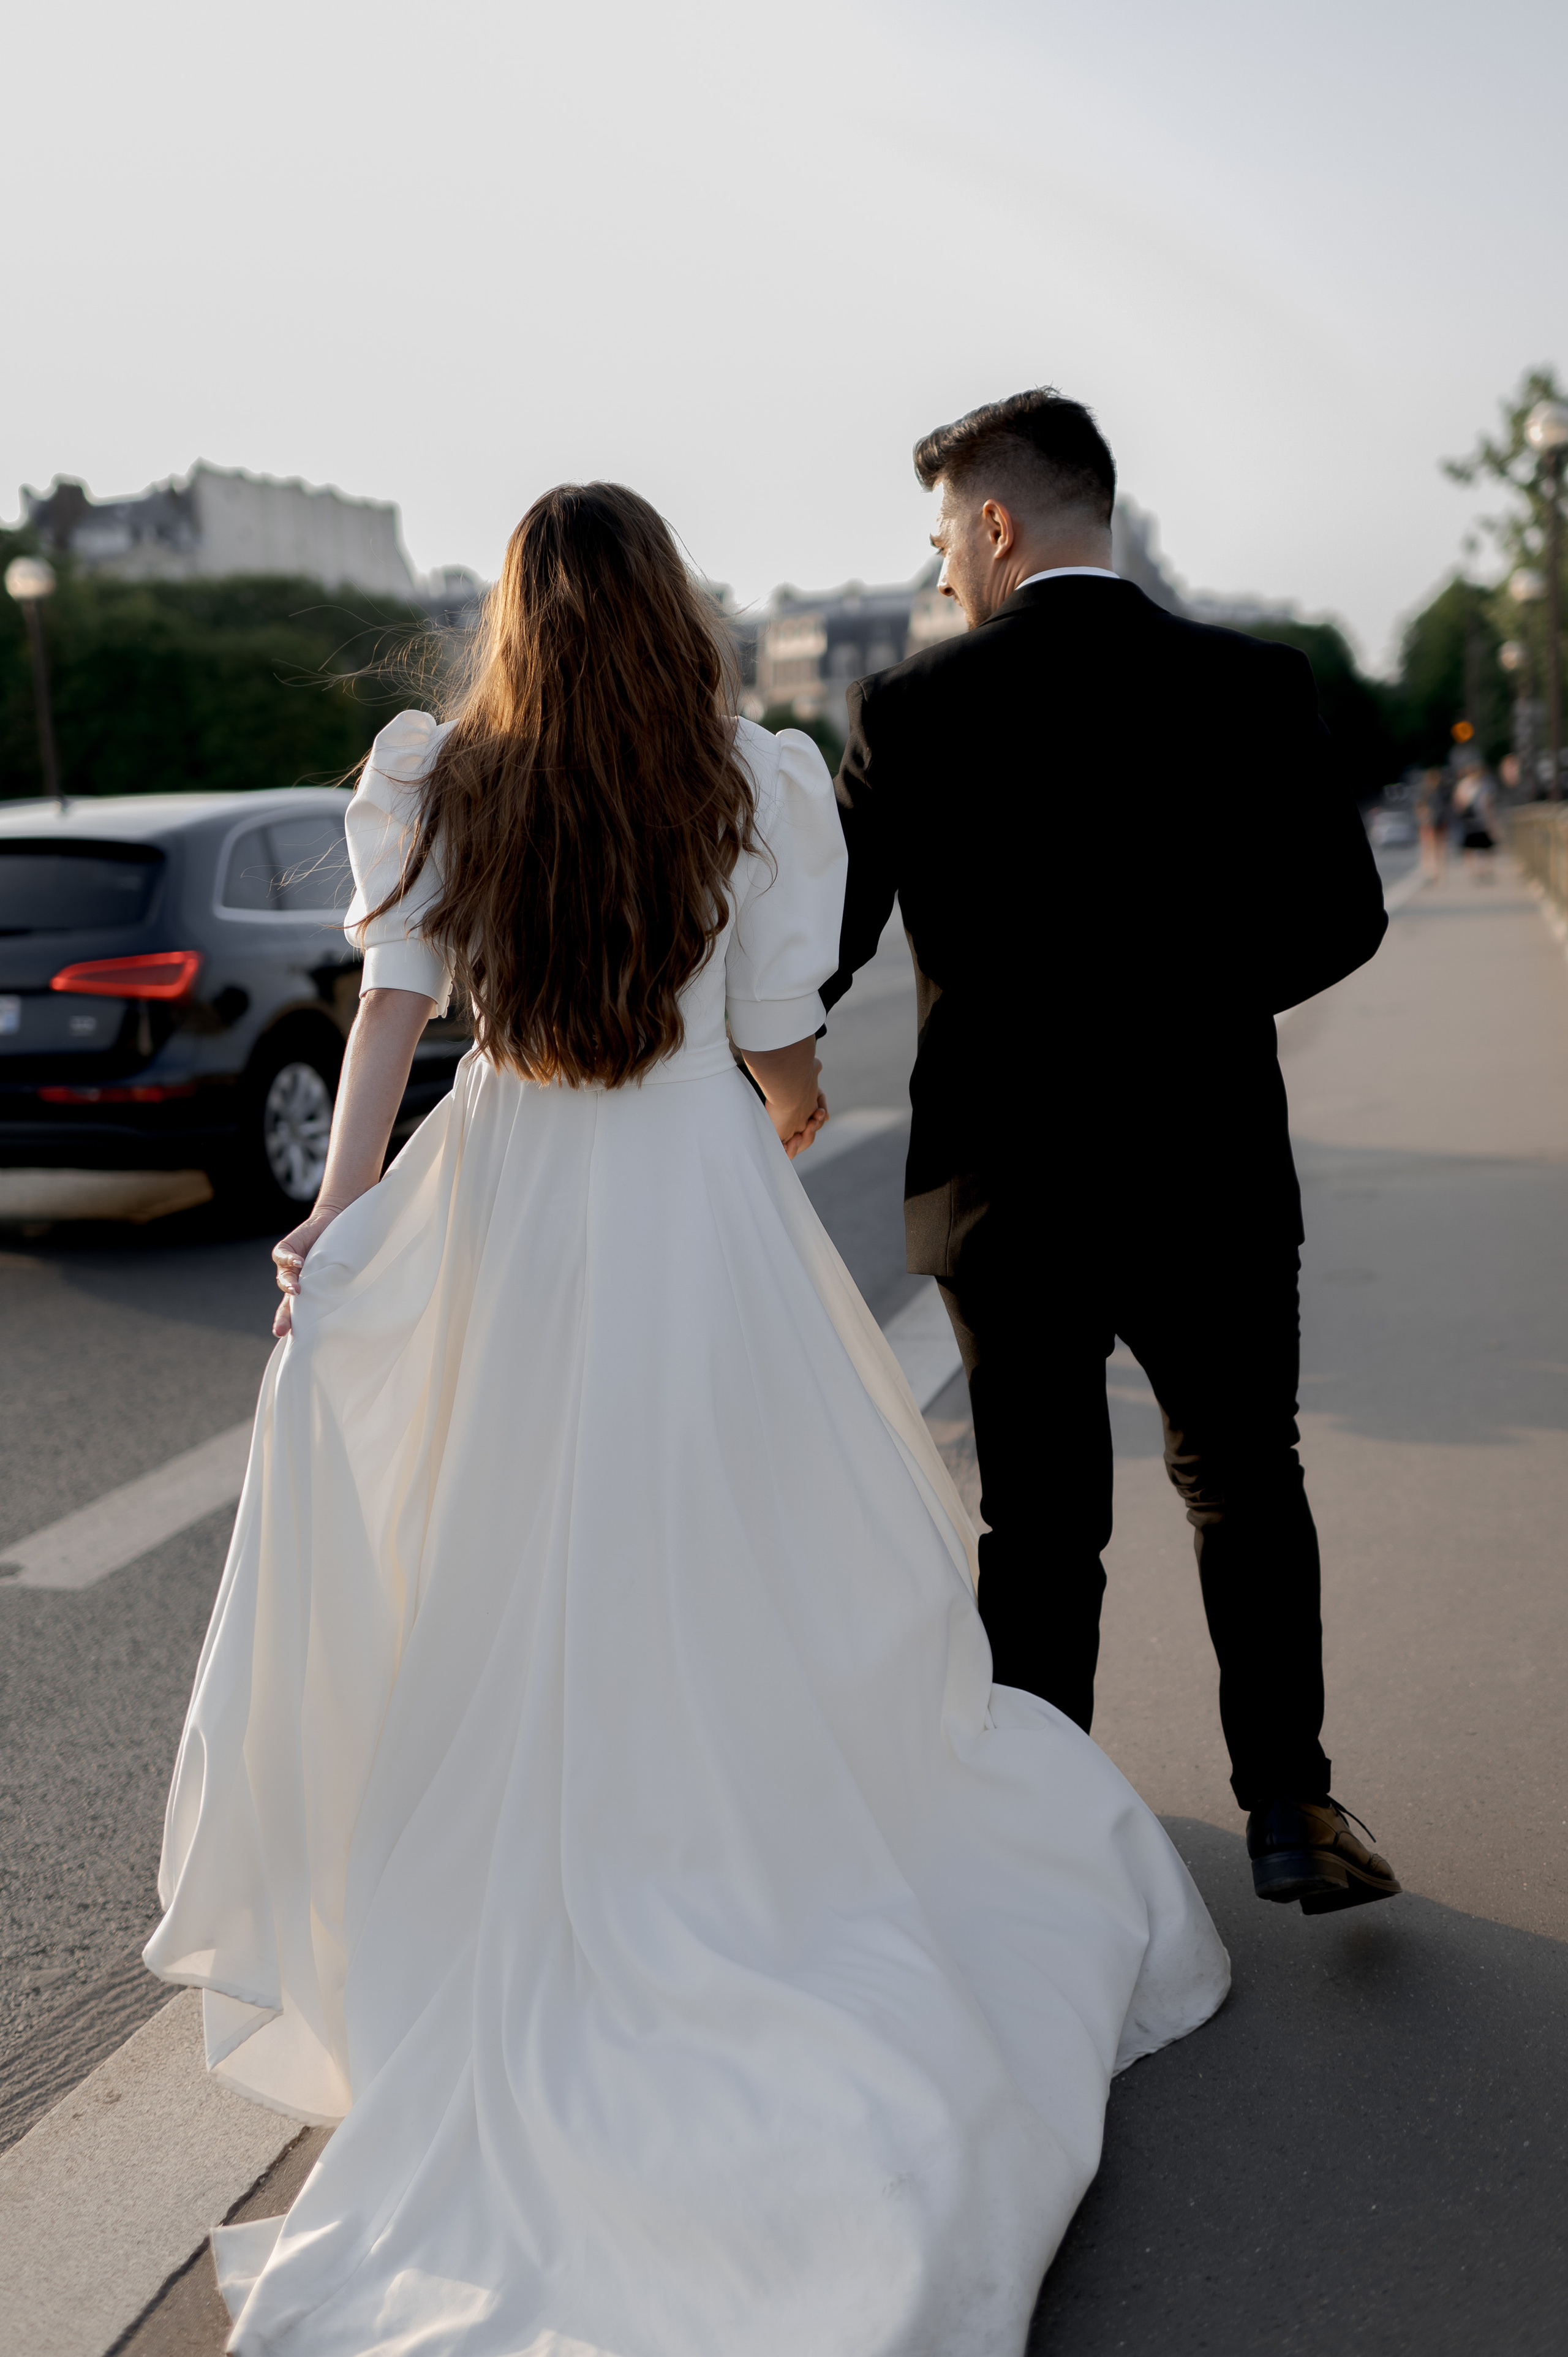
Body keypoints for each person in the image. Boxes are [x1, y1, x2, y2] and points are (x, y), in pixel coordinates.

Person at [145, 483, 1227, 2354]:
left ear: (511, 617)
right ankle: (738, 1845)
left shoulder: (436, 776)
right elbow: (770, 1042)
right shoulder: (741, 779)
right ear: (667, 609)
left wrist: (331, 1216)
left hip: (513, 1191)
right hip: (686, 1185)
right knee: (731, 1532)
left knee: (504, 1540)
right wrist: (772, 1114)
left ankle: (540, 1883)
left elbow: (396, 1022)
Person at [821, 388, 1402, 1920]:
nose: (942, 566)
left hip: (1000, 1186)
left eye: (946, 531)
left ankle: (1036, 1849)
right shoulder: (1251, 683)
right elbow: (1343, 918)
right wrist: (1188, 1000)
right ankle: (1287, 1803)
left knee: (1038, 1521)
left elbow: (817, 949)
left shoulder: (905, 713)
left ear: (996, 524)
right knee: (1239, 1481)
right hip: (1204, 1159)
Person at [1415, 765, 1450, 883]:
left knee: (1436, 848)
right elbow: (1420, 807)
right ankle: (1431, 871)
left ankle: (1435, 872)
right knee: (1430, 847)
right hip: (1429, 823)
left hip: (1438, 822)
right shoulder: (1428, 792)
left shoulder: (1440, 791)